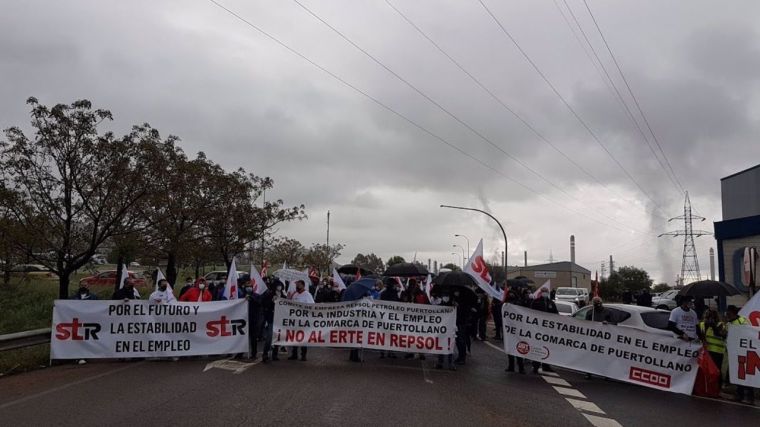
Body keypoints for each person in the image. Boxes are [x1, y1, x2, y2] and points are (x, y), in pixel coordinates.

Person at [726, 305, 754, 404]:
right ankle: (739, 394)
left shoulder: (742, 321)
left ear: (733, 313)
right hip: (734, 352)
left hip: (743, 351)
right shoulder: (729, 323)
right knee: (737, 374)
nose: (727, 315)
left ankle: (750, 397)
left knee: (746, 373)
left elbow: (750, 332)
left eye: (729, 313)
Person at [528, 289, 558, 374]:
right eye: (544, 291)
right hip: (537, 329)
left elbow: (556, 315)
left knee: (547, 348)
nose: (545, 293)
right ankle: (535, 366)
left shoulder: (551, 303)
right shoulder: (536, 302)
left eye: (546, 291)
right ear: (541, 292)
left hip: (548, 331)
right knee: (537, 347)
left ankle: (546, 366)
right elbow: (530, 313)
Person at [697, 308, 726, 386]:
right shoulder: (702, 324)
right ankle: (707, 386)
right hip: (707, 351)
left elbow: (722, 335)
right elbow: (699, 335)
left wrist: (713, 326)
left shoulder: (720, 325)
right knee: (705, 369)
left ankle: (716, 387)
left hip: (717, 351)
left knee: (715, 370)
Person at [288, 280, 313, 361]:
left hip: (303, 321)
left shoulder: (307, 294)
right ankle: (294, 354)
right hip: (295, 320)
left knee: (303, 338)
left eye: (299, 285)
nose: (297, 286)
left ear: (303, 285)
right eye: (296, 285)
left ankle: (303, 355)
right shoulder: (295, 294)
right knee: (294, 337)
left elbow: (312, 306)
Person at [262, 279, 286, 363]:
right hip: (271, 318)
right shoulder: (269, 294)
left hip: (280, 319)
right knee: (269, 337)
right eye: (278, 285)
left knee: (278, 336)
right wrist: (272, 301)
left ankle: (275, 354)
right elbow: (265, 304)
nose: (279, 287)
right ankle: (265, 354)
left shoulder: (283, 295)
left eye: (280, 286)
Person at [505, 287, 527, 374]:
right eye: (509, 293)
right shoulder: (506, 303)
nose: (511, 295)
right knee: (510, 348)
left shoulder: (518, 302)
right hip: (509, 329)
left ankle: (521, 367)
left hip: (517, 329)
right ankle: (511, 366)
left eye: (512, 293)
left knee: (519, 348)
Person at [434, 294, 457, 370]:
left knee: (450, 346)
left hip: (450, 329)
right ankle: (440, 362)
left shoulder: (454, 305)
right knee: (441, 346)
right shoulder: (441, 305)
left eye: (447, 296)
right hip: (442, 328)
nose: (446, 297)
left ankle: (451, 363)